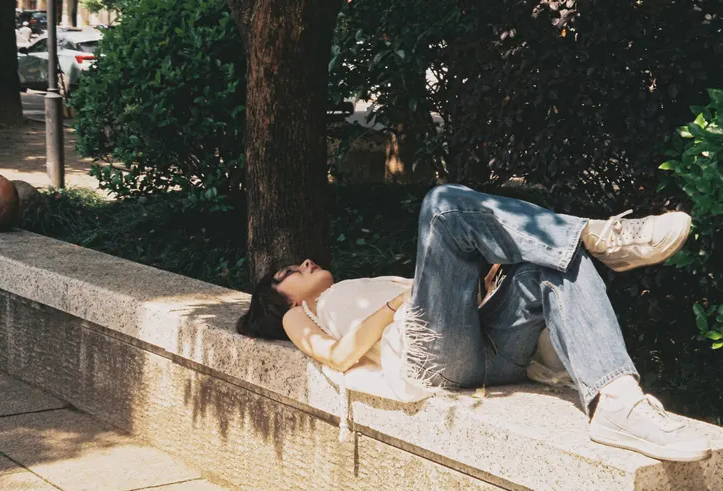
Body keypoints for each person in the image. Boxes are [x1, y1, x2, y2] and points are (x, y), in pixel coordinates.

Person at [237, 184, 711, 462]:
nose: (302, 263)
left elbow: (442, 301)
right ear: (279, 302)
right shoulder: (300, 315)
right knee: (442, 204)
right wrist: (395, 306)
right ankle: (598, 235)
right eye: (287, 273)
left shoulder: (355, 283)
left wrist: (486, 286)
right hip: (432, 358)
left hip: (488, 347)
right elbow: (339, 356)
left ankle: (617, 402)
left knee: (554, 262)